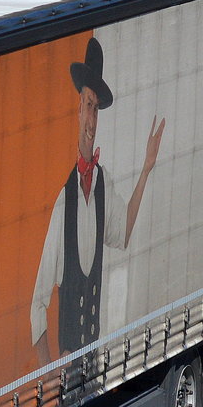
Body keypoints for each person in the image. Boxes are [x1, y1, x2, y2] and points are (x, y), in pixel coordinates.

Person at [31, 36, 165, 367]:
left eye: (96, 109)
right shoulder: (64, 202)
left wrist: (146, 170)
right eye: (88, 106)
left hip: (93, 363)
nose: (91, 120)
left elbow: (123, 234)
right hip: (68, 368)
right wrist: (49, 370)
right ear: (78, 110)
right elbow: (38, 302)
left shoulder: (103, 184)